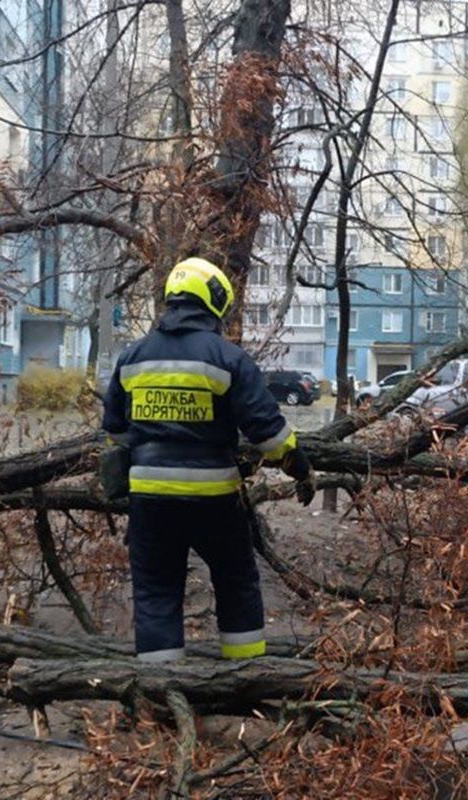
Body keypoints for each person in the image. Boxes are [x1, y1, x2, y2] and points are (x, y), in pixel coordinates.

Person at [102, 256, 316, 662]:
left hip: (149, 497)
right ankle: (244, 673)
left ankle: (163, 691)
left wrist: (156, 443)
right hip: (215, 497)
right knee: (236, 579)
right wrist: (300, 468)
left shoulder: (133, 357)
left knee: (156, 589)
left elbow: (115, 428)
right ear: (214, 301)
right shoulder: (227, 358)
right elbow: (268, 434)